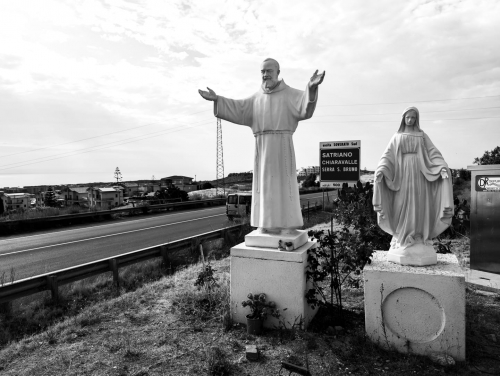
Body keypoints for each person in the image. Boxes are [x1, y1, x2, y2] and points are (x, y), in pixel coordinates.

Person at [198, 58, 325, 233]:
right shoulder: (256, 99)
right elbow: (238, 108)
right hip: (262, 150)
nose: (265, 75)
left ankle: (288, 226)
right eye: (262, 71)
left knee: (284, 186)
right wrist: (217, 100)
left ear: (278, 72)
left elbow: (305, 107)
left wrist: (311, 87)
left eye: (269, 71)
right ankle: (264, 225)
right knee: (264, 188)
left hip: (283, 149)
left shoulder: (290, 94)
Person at [373, 107, 453, 263]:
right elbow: (387, 157)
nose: (410, 120)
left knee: (419, 205)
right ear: (403, 118)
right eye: (408, 117)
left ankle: (418, 236)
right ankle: (403, 238)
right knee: (401, 205)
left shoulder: (422, 136)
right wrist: (381, 170)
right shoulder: (397, 137)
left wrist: (442, 168)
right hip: (402, 176)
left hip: (420, 175)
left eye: (413, 118)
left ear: (417, 119)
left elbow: (433, 153)